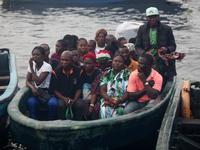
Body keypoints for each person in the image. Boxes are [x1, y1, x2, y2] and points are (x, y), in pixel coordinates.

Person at [135, 7, 177, 80]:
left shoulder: (167, 29)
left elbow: (173, 46)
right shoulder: (142, 29)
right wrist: (144, 53)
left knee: (162, 79)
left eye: (155, 16)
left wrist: (166, 50)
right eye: (150, 17)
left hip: (162, 61)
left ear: (158, 16)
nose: (153, 19)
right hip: (148, 61)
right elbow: (137, 46)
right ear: (146, 18)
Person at [50, 51, 84, 120]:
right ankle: (61, 124)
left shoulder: (79, 71)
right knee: (60, 105)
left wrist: (74, 100)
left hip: (74, 97)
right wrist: (64, 98)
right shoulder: (55, 72)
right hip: (62, 97)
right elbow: (55, 90)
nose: (64, 62)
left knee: (80, 104)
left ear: (71, 60)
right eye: (62, 60)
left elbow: (79, 89)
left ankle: (78, 123)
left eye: (67, 60)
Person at [26, 46, 57, 120]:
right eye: (33, 54)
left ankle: (50, 122)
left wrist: (31, 67)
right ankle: (32, 122)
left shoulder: (47, 66)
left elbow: (38, 81)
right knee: (30, 102)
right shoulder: (32, 65)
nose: (35, 56)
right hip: (37, 94)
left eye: (37, 54)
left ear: (43, 56)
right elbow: (27, 81)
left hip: (47, 94)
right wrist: (33, 87)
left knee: (53, 104)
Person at [81, 52, 101, 120]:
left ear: (94, 63)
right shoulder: (81, 70)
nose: (87, 65)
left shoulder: (98, 73)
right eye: (85, 63)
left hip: (96, 95)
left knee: (96, 109)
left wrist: (91, 105)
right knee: (82, 105)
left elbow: (95, 90)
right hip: (83, 94)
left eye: (90, 63)